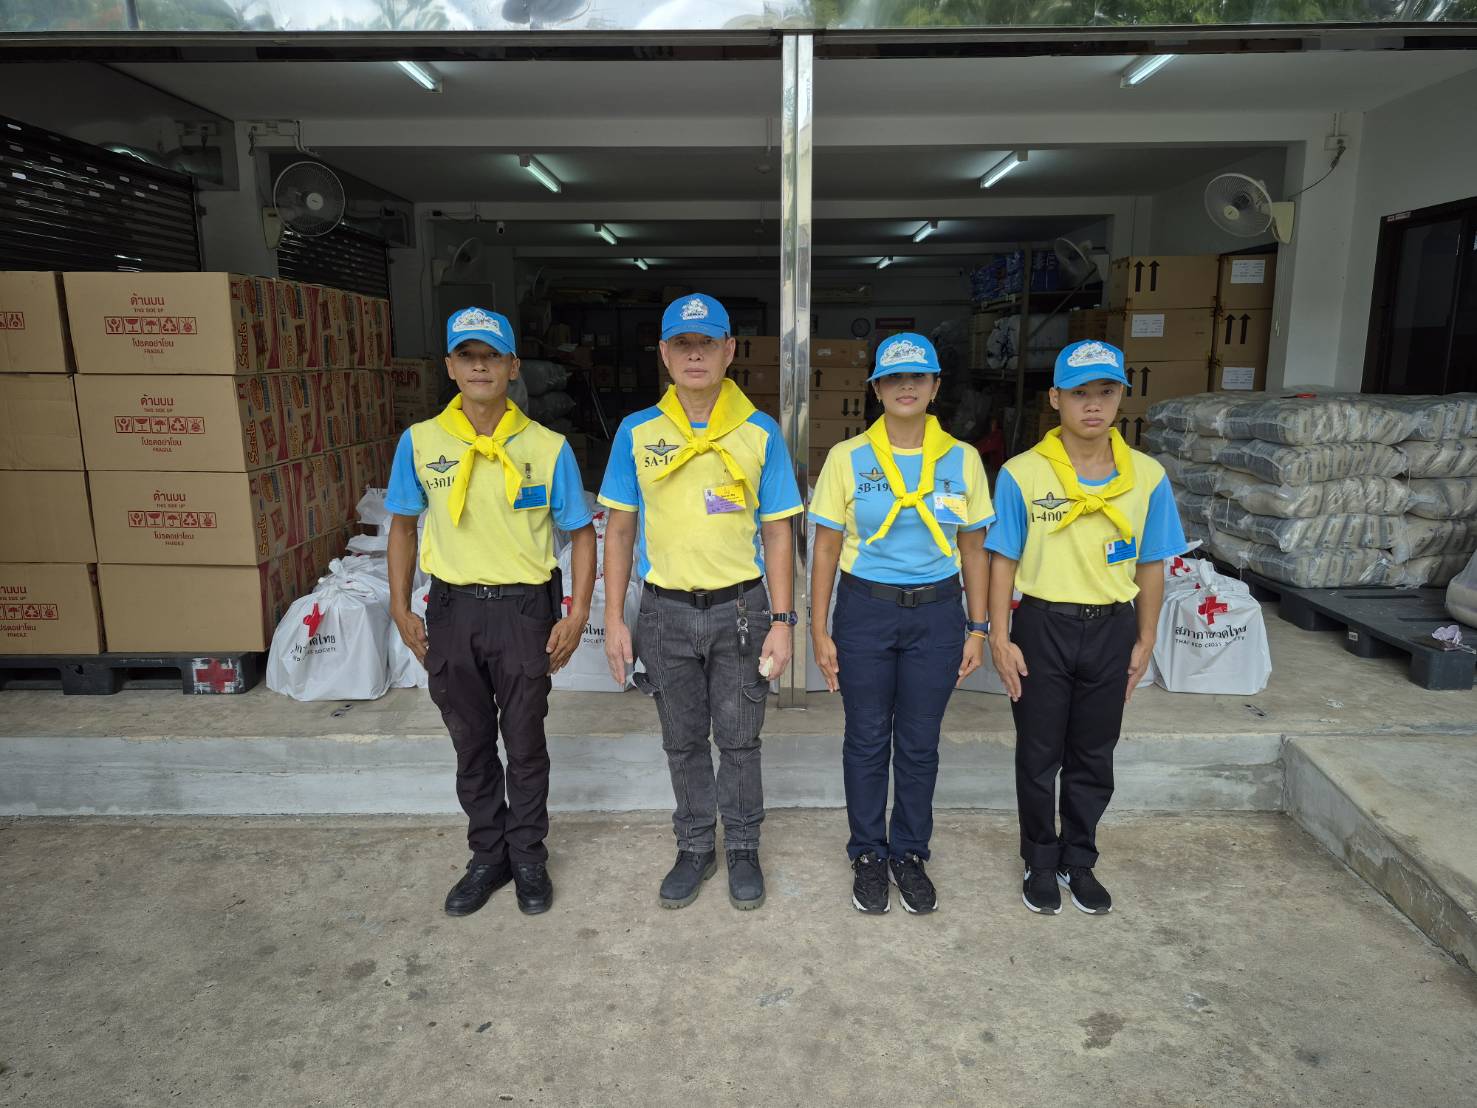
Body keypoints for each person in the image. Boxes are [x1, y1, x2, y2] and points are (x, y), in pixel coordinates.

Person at [387, 307, 597, 918]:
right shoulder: (421, 442)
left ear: (513, 366)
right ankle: (487, 854)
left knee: (525, 741)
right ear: (450, 367)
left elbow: (581, 532)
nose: (480, 366)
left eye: (491, 355)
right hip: (452, 608)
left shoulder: (547, 447)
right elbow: (403, 526)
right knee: (471, 740)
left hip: (524, 610)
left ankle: (527, 854)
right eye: (467, 356)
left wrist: (578, 612)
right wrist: (400, 606)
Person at [599, 293, 803, 911]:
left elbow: (777, 531)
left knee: (739, 739)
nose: (695, 355)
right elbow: (620, 529)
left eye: (707, 343)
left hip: (741, 611)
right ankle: (694, 846)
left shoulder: (759, 432)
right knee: (682, 739)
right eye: (683, 345)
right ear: (664, 353)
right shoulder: (637, 432)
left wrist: (784, 621)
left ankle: (742, 846)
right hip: (664, 613)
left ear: (729, 351)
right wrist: (613, 617)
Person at [985, 339, 1187, 916]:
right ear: (1055, 399)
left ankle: (1080, 858)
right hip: (1043, 625)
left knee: (1095, 752)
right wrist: (1000, 636)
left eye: (1106, 391)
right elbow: (1003, 559)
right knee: (1039, 752)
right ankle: (1039, 858)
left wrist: (1145, 637)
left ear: (1122, 396)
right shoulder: (1023, 474)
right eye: (1079, 393)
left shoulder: (1147, 476)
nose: (1093, 405)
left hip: (1111, 627)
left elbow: (1152, 562)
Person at [808, 333, 993, 915]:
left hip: (937, 615)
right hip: (865, 611)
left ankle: (910, 852)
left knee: (918, 743)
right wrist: (818, 627)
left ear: (936, 386)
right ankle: (868, 853)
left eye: (918, 377)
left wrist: (978, 627)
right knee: (866, 738)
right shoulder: (847, 457)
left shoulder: (962, 459)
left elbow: (974, 549)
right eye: (893, 377)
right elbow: (826, 546)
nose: (906, 386)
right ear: (877, 389)